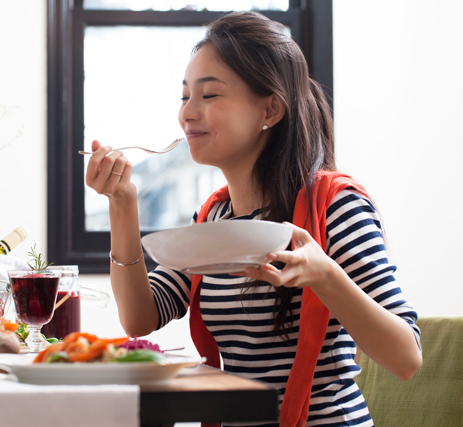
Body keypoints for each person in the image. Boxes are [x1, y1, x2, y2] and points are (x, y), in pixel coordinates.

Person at [85, 11, 422, 427]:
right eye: (185, 96)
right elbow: (142, 317)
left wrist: (323, 275)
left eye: (208, 96)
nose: (187, 113)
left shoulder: (334, 204)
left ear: (271, 110)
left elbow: (407, 357)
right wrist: (122, 204)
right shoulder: (212, 218)